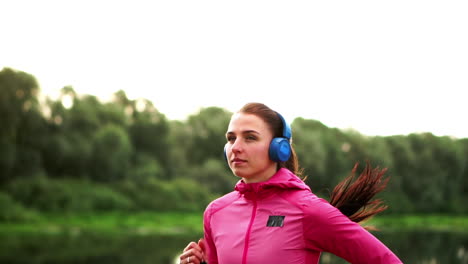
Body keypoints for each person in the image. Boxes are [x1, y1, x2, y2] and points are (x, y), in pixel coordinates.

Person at [179, 102, 403, 264]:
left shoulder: (307, 210)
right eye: (231, 138)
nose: (236, 147)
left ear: (279, 147)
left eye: (250, 137)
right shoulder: (216, 212)